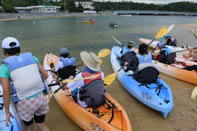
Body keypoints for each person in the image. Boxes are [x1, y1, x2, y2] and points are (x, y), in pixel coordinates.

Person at [0, 37, 50, 131]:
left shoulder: (4, 67)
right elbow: (46, 75)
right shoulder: (33, 58)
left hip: (25, 102)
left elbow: (6, 92)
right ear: (20, 49)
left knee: (29, 126)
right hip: (40, 97)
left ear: (4, 51)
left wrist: (7, 112)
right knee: (42, 124)